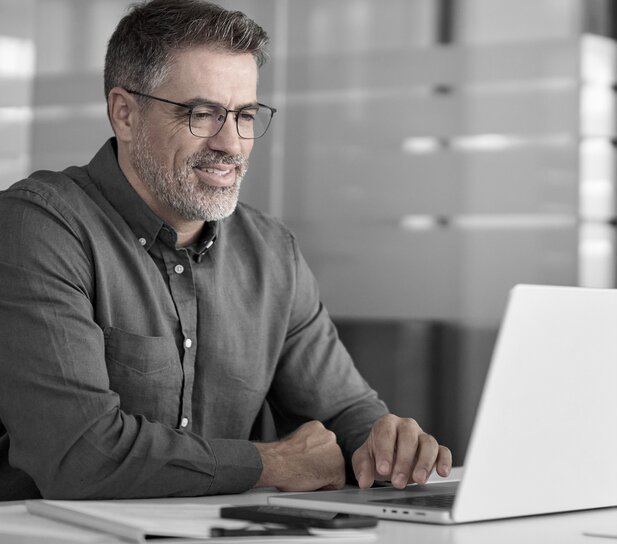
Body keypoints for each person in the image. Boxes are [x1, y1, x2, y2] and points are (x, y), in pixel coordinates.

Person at [0, 0, 451, 501]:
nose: (232, 143)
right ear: (124, 114)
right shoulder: (38, 227)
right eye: (203, 114)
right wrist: (271, 462)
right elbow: (81, 454)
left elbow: (343, 413)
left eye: (245, 115)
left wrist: (388, 443)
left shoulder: (271, 252)